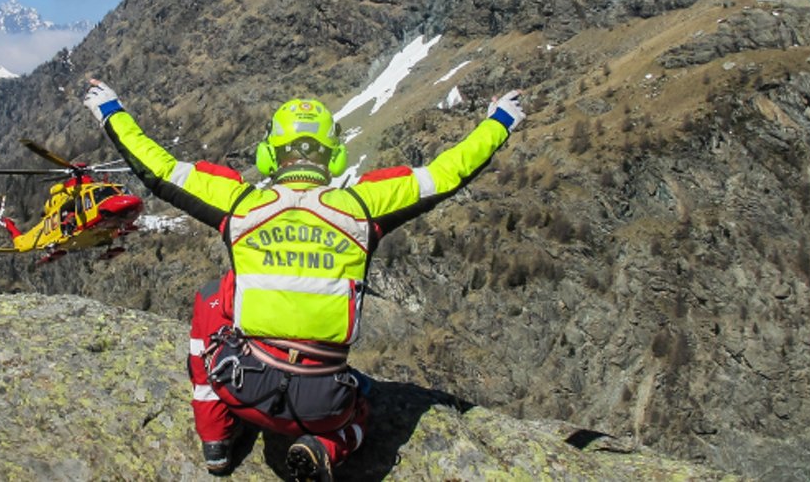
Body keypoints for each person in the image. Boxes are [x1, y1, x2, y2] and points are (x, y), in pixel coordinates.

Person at [83, 78, 524, 480]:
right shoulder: (365, 206)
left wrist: (111, 111)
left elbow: (156, 168)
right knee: (362, 411)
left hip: (244, 387)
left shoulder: (239, 204)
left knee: (211, 298)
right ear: (334, 155)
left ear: (269, 153)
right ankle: (327, 448)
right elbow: (449, 172)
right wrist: (499, 122)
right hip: (326, 404)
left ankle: (215, 440)